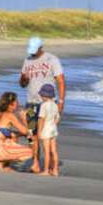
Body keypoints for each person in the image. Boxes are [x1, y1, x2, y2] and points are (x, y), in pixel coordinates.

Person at [19, 36, 65, 173]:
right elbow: (22, 84)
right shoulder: (27, 60)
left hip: (48, 104)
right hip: (31, 104)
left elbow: (61, 81)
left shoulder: (52, 59)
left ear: (40, 48)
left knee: (47, 135)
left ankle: (51, 166)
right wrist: (23, 78)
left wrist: (61, 102)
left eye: (35, 50)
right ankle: (35, 162)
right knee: (32, 134)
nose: (32, 53)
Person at [0, 92, 33, 172]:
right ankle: (5, 164)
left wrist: (20, 135)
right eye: (16, 101)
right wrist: (24, 119)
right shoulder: (10, 115)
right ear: (11, 104)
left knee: (12, 136)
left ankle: (3, 166)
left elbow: (6, 132)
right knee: (30, 152)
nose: (18, 103)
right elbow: (26, 132)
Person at [37, 84, 61, 176]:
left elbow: (41, 119)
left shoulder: (44, 105)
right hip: (53, 129)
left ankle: (46, 170)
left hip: (46, 130)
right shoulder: (55, 105)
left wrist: (39, 131)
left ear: (44, 95)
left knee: (46, 151)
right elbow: (57, 118)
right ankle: (55, 170)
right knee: (54, 151)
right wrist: (53, 124)